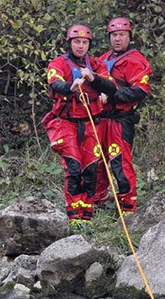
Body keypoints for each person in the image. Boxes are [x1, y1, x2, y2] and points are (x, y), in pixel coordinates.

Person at [43, 24, 118, 224]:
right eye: (77, 42)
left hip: (91, 123)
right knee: (74, 167)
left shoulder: (95, 65)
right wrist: (71, 87)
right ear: (70, 43)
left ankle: (87, 213)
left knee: (91, 169)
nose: (80, 46)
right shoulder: (58, 63)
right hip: (66, 122)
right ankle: (74, 213)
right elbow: (54, 83)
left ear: (89, 45)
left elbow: (111, 87)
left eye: (84, 42)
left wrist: (93, 79)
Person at [94, 17, 152, 213]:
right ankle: (98, 202)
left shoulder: (136, 60)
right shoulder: (101, 60)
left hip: (120, 119)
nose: (117, 39)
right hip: (101, 119)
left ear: (129, 37)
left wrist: (111, 97)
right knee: (97, 161)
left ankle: (128, 207)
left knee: (120, 163)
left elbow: (139, 91)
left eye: (121, 35)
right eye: (114, 35)